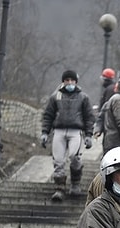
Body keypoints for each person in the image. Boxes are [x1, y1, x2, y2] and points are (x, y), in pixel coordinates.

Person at [40, 70, 95, 202]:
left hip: (76, 132)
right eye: (67, 80)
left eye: (72, 80)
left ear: (76, 82)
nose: (69, 83)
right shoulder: (56, 97)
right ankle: (59, 189)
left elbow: (89, 117)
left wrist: (88, 135)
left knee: (74, 157)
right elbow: (48, 115)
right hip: (59, 131)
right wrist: (44, 132)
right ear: (63, 81)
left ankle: (75, 183)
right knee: (58, 160)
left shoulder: (83, 97)